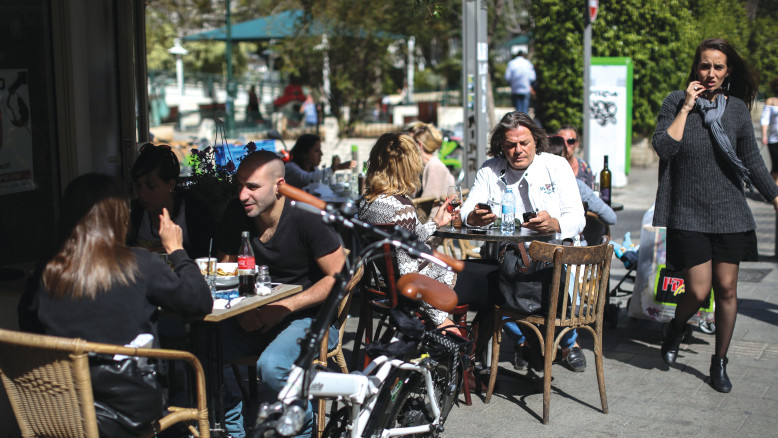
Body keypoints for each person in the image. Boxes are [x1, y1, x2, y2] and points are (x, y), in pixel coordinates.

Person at [18, 173, 213, 437]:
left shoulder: (48, 270)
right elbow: (199, 302)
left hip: (62, 406)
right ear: (119, 216)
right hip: (129, 410)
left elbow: (28, 325)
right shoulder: (139, 264)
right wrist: (177, 250)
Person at [653, 38, 778, 393]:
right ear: (696, 68)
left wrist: (774, 197)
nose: (710, 73)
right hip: (687, 212)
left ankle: (719, 361)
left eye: (718, 67)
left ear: (728, 72)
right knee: (697, 289)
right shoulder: (675, 101)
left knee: (726, 289)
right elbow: (664, 147)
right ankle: (675, 328)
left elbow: (752, 162)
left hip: (729, 212)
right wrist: (686, 108)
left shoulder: (737, 109)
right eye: (705, 66)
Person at [214, 151, 345, 437]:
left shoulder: (305, 216)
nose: (242, 195)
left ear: (279, 185)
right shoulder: (236, 214)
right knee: (207, 349)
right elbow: (224, 269)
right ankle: (233, 432)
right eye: (239, 185)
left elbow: (339, 278)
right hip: (252, 313)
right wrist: (242, 309)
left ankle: (301, 428)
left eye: (252, 187)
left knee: (273, 366)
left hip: (307, 317)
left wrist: (284, 308)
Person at [456, 111, 586, 371]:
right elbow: (465, 212)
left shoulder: (556, 166)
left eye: (523, 143)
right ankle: (527, 342)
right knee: (490, 282)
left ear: (536, 141)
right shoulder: (491, 169)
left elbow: (578, 218)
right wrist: (474, 217)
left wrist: (555, 224)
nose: (517, 150)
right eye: (510, 145)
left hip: (551, 256)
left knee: (540, 281)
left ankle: (565, 341)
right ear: (501, 146)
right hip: (505, 258)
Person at [357, 133, 457, 329]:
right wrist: (441, 320)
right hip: (418, 285)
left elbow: (405, 241)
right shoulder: (401, 208)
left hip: (384, 281)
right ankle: (463, 350)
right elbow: (408, 274)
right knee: (486, 284)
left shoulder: (367, 203)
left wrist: (435, 222)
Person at [128, 143, 215, 259]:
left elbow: (207, 256)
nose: (142, 194)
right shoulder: (133, 213)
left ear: (171, 185)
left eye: (151, 186)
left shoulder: (194, 212)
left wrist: (177, 250)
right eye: (138, 186)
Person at [547, 135, 616, 230]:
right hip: (575, 242)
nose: (568, 145)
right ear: (564, 155)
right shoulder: (575, 184)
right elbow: (612, 218)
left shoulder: (528, 183)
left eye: (571, 141)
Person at [406, 121, 455, 215]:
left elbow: (426, 208)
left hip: (436, 225)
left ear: (419, 145)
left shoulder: (434, 167)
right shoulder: (427, 165)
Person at [283, 133, 356, 188]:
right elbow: (306, 179)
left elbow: (326, 186)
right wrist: (334, 168)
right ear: (304, 153)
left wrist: (333, 169)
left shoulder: (314, 169)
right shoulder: (290, 168)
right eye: (316, 151)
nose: (321, 154)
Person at [760, 77, 778, 184]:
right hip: (774, 139)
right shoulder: (771, 101)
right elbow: (765, 119)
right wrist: (764, 135)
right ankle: (771, 189)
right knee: (776, 166)